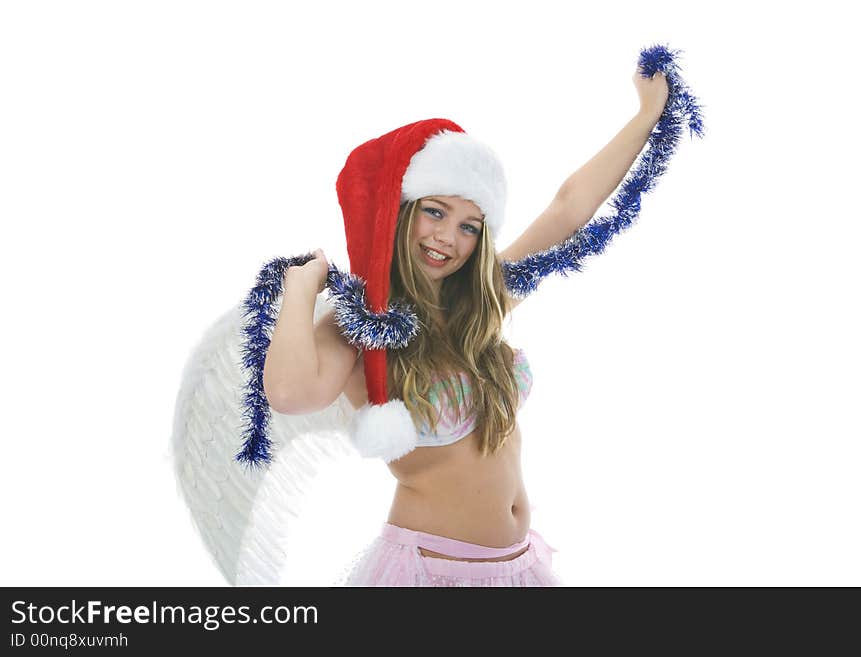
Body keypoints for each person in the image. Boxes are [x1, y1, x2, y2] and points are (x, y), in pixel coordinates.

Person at [261, 71, 669, 587]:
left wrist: (646, 116)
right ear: (401, 211)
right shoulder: (362, 324)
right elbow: (291, 393)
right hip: (430, 573)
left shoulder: (480, 303)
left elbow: (568, 209)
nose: (447, 238)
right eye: (435, 212)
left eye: (469, 226)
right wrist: (300, 287)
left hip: (520, 566)